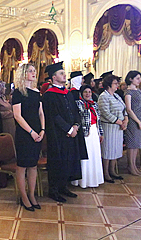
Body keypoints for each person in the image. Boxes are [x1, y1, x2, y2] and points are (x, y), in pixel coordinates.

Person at [42, 61, 87, 203]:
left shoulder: (67, 93)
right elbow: (53, 115)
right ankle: (53, 190)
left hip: (71, 133)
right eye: (61, 73)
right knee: (58, 161)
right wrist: (68, 129)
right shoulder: (49, 95)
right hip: (58, 135)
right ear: (54, 77)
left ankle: (63, 187)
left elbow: (74, 111)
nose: (64, 75)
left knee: (68, 161)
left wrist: (75, 126)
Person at [12, 63, 44, 211]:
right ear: (23, 73)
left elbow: (41, 113)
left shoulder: (37, 92)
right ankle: (24, 196)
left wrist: (42, 129)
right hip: (25, 134)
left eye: (34, 71)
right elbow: (17, 116)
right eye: (30, 71)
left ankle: (32, 195)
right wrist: (31, 132)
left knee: (33, 165)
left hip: (37, 132)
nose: (33, 73)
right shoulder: (18, 92)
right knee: (22, 166)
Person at [71, 85, 104, 188]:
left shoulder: (94, 104)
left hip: (94, 131)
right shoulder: (78, 104)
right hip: (85, 133)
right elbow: (78, 118)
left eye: (89, 92)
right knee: (86, 156)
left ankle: (94, 179)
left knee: (94, 155)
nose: (88, 94)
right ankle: (82, 181)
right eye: (85, 92)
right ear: (81, 93)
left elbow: (98, 120)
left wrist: (101, 133)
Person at [98, 74, 128, 183]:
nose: (117, 85)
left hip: (118, 128)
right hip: (109, 127)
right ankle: (106, 172)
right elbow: (105, 112)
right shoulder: (103, 96)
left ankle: (113, 171)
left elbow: (124, 108)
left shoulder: (116, 95)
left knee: (115, 150)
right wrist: (119, 122)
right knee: (108, 150)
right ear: (109, 85)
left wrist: (125, 119)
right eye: (115, 83)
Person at [124, 71, 141, 175]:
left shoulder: (138, 91)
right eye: (137, 78)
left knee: (136, 145)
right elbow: (129, 109)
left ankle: (134, 165)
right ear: (131, 79)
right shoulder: (128, 92)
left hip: (139, 118)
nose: (139, 80)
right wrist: (138, 121)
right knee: (132, 144)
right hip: (133, 120)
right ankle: (130, 166)